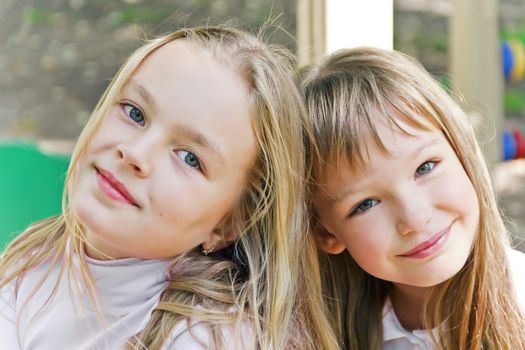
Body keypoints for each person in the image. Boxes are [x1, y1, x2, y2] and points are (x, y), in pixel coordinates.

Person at [0, 26, 338, 349]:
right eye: (134, 113)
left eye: (189, 158)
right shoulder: (29, 261)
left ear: (231, 222)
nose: (135, 153)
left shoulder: (212, 337)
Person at [299, 47, 525, 349]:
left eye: (425, 167)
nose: (415, 219)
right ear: (325, 233)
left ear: (461, 151)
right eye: (365, 204)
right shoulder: (311, 335)